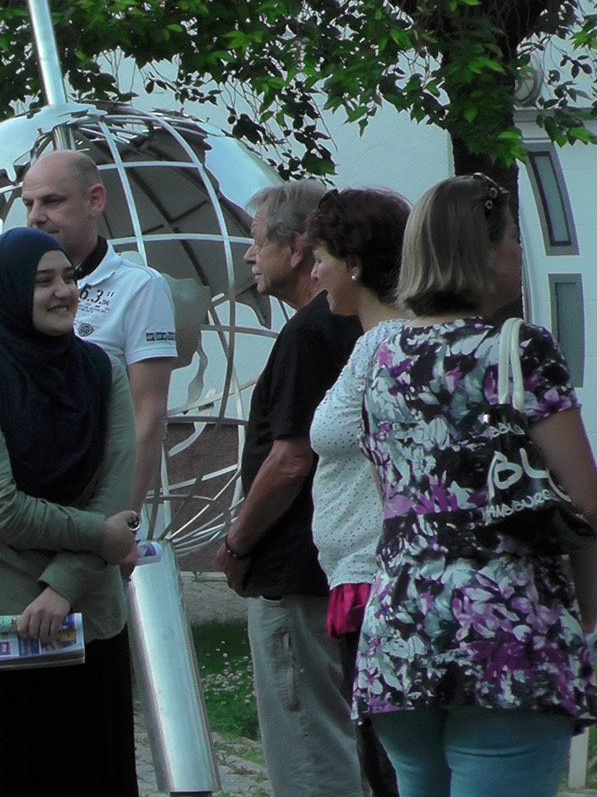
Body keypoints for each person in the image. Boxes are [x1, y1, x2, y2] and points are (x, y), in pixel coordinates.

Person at [356, 174, 597, 797]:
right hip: (505, 631)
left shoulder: (382, 358)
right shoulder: (519, 348)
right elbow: (587, 501)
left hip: (402, 631)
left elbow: (390, 496)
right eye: (514, 238)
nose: (521, 251)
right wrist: (585, 610)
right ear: (485, 250)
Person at [0, 227, 141, 797]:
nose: (62, 291)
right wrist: (103, 537)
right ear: (6, 291)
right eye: (42, 281)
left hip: (91, 622)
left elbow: (117, 488)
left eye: (68, 276)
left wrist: (65, 585)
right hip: (2, 626)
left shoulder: (101, 370)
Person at [214, 182, 365, 797]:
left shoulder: (310, 332)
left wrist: (238, 543)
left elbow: (290, 458)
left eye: (256, 243)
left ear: (298, 247)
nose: (249, 257)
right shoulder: (364, 326)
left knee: (309, 750)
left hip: (294, 572)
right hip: (338, 567)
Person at [305, 187, 410, 797]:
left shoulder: (382, 347)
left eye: (320, 255)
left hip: (377, 581)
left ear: (356, 263)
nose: (314, 270)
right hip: (356, 574)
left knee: (391, 766)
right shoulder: (367, 344)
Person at [22, 150, 176, 515]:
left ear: (95, 200)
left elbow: (149, 414)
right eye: (28, 204)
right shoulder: (17, 285)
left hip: (94, 502)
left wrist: (123, 522)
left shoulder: (139, 287)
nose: (35, 217)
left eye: (51, 201)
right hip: (24, 505)